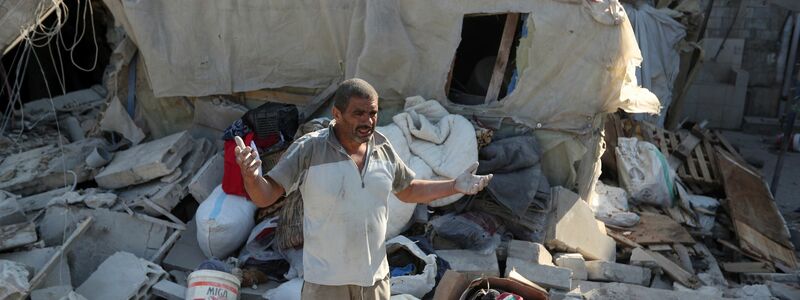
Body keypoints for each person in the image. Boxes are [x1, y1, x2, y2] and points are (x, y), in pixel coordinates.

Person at [235, 78, 492, 300]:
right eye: (358, 113)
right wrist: (252, 176)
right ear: (337, 114)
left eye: (373, 113)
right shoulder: (309, 150)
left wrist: (454, 185)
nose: (368, 121)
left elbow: (408, 190)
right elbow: (265, 195)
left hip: (374, 282)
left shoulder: (383, 148)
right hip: (326, 284)